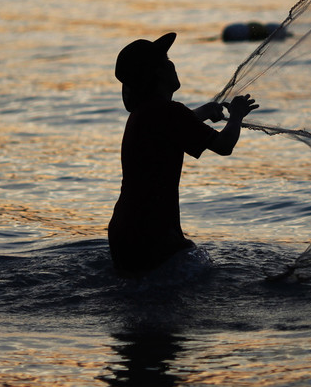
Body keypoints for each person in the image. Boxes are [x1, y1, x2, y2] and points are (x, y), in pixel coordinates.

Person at [108, 32, 258, 277]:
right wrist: (238, 115)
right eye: (166, 60)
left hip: (126, 231)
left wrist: (204, 111)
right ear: (157, 73)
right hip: (154, 234)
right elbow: (223, 145)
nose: (172, 64)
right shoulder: (168, 112)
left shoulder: (144, 113)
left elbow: (174, 127)